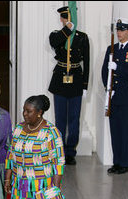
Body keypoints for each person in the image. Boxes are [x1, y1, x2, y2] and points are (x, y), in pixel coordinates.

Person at [48, 6, 90, 165]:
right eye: (65, 18)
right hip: (60, 79)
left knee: (74, 118)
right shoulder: (56, 35)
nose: (67, 20)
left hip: (76, 79)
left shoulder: (83, 37)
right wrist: (67, 30)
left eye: (70, 18)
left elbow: (87, 62)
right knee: (60, 119)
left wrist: (85, 85)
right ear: (62, 19)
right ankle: (59, 150)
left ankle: (71, 151)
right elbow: (54, 42)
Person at [101, 18, 128, 175]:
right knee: (114, 130)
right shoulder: (111, 49)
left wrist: (118, 67)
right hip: (113, 96)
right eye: (118, 30)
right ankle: (116, 162)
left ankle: (125, 164)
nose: (119, 33)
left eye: (122, 30)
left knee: (125, 130)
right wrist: (108, 87)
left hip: (127, 97)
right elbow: (104, 71)